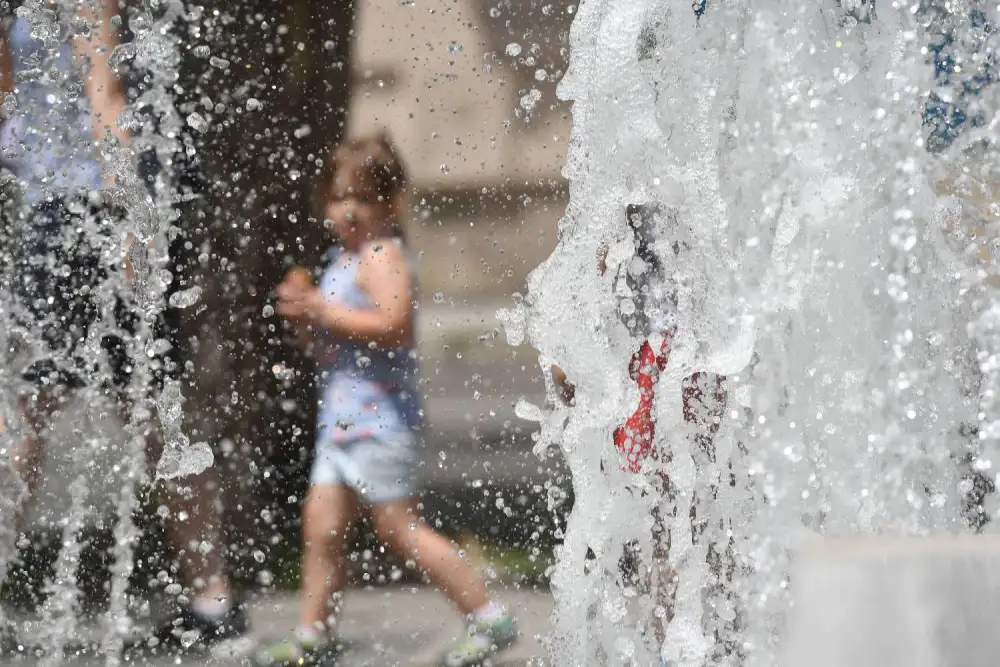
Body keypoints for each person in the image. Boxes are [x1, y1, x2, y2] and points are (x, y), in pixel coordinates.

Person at [0, 2, 247, 656]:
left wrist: (130, 214)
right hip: (61, 212)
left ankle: (213, 595)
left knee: (50, 409)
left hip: (93, 215)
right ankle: (213, 595)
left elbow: (105, 91)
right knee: (129, 411)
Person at [253, 134, 519, 667]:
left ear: (392, 204)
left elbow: (396, 326)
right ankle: (314, 633)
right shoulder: (344, 259)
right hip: (341, 423)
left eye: (363, 198)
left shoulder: (381, 255)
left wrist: (323, 313)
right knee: (322, 528)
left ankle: (488, 618)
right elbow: (337, 340)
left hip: (380, 421)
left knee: (399, 529)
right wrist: (308, 320)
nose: (347, 210)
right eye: (337, 197)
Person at [551, 203, 727, 667]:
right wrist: (571, 348)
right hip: (645, 354)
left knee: (702, 492)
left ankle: (704, 629)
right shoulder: (628, 156)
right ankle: (674, 635)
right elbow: (592, 246)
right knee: (666, 503)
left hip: (696, 350)